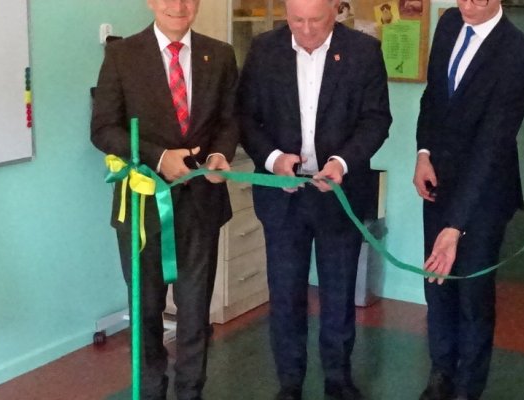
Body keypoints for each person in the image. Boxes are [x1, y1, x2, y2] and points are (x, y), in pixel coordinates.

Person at [237, 0, 391, 398]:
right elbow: (245, 117)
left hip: (339, 192)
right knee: (285, 294)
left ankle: (338, 379)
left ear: (335, 11)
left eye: (316, 20)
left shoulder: (363, 52)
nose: (306, 30)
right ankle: (290, 382)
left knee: (338, 294)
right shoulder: (264, 50)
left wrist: (342, 162)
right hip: (283, 195)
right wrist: (273, 159)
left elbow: (376, 119)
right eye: (297, 20)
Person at [90, 0, 241, 398]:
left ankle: (191, 391)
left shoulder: (220, 55)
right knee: (145, 311)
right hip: (142, 208)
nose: (178, 6)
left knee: (195, 313)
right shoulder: (121, 56)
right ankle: (151, 390)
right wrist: (158, 158)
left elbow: (229, 120)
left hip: (202, 205)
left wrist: (219, 154)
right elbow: (103, 128)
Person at [411, 0, 524, 398]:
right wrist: (423, 153)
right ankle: (441, 373)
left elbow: (492, 146)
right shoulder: (449, 23)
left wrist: (456, 226)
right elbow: (433, 97)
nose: (468, 4)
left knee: (472, 295)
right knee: (437, 284)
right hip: (439, 183)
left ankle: (468, 387)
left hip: (485, 194)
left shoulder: (516, 52)